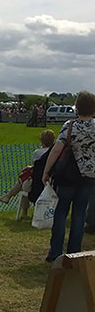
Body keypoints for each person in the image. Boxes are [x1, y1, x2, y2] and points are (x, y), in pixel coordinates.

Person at [42, 90, 95, 262]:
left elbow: (57, 149)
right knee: (79, 214)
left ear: (77, 107)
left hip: (68, 176)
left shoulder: (69, 126)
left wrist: (46, 171)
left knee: (61, 212)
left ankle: (55, 252)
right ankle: (74, 252)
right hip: (89, 176)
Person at [0, 130, 55, 216]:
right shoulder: (55, 152)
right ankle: (8, 196)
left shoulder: (37, 153)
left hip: (38, 182)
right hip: (53, 181)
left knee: (24, 185)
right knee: (25, 182)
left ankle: (21, 209)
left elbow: (37, 167)